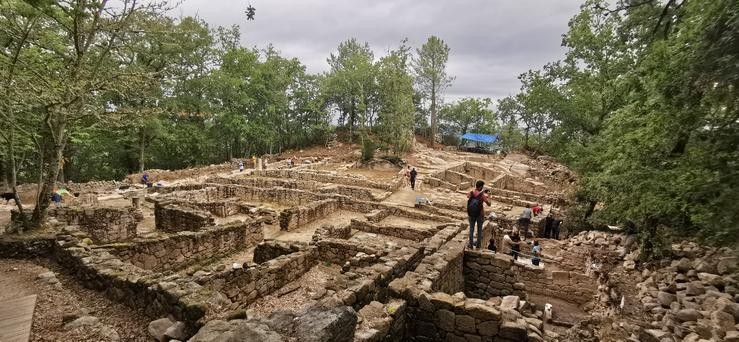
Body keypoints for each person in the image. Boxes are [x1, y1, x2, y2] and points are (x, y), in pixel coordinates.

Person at [466, 180, 492, 249]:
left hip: (471, 214)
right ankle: (478, 246)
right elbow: (489, 204)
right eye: (482, 187)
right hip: (480, 215)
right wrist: (489, 196)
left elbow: (467, 196)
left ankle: (470, 245)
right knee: (479, 230)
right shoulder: (482, 196)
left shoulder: (472, 192)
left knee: (471, 229)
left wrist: (474, 191)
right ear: (480, 187)